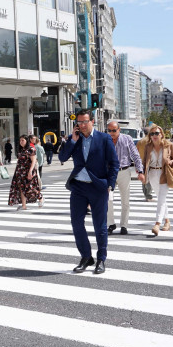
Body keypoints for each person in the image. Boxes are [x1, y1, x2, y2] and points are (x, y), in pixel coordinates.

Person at [58, 110, 119, 274]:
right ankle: (86, 257)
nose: (82, 125)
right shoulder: (74, 139)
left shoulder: (104, 138)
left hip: (98, 186)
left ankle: (101, 259)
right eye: (79, 122)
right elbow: (62, 158)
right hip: (78, 186)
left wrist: (110, 185)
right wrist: (72, 141)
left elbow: (114, 164)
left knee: (100, 226)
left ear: (93, 121)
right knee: (76, 223)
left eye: (85, 122)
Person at [106, 120, 146, 235]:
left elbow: (135, 155)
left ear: (119, 130)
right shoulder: (105, 140)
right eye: (109, 130)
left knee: (125, 201)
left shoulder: (127, 138)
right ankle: (111, 224)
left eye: (114, 130)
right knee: (108, 199)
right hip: (109, 173)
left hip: (124, 171)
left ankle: (124, 225)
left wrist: (140, 171)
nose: (112, 133)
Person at [143, 124, 173, 235]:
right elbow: (144, 161)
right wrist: (141, 173)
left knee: (161, 198)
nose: (154, 135)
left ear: (161, 134)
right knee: (161, 199)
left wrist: (171, 162)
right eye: (152, 133)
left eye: (157, 133)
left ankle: (157, 224)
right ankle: (167, 221)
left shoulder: (169, 145)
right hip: (152, 173)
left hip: (164, 173)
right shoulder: (148, 146)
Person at [8, 135, 41, 210]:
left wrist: (30, 171)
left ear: (27, 141)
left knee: (31, 187)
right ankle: (24, 205)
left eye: (23, 140)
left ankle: (40, 198)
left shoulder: (31, 149)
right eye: (20, 141)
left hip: (28, 170)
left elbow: (33, 161)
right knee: (21, 188)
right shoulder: (21, 150)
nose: (21, 142)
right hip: (20, 171)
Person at [136, 136, 156, 201]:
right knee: (149, 179)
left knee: (144, 179)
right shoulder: (151, 141)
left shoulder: (140, 141)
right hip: (149, 162)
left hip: (141, 162)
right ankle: (148, 196)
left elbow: (136, 152)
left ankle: (146, 195)